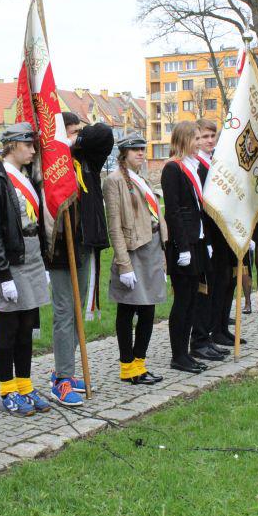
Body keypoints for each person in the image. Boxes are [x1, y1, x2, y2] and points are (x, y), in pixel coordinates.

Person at [0, 122, 51, 416]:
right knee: (8, 329)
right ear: (12, 146)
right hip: (11, 261)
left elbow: (38, 222)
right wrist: (4, 274)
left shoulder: (27, 179)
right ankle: (7, 391)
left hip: (32, 256)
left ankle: (25, 385)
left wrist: (44, 263)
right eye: (28, 145)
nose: (33, 150)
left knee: (26, 328)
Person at [46, 112, 114, 406]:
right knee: (64, 312)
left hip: (85, 242)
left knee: (77, 309)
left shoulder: (87, 157)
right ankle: (62, 378)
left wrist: (76, 140)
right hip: (61, 247)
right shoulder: (52, 165)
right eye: (69, 132)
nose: (74, 137)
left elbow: (105, 134)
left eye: (76, 132)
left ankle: (66, 370)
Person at [103, 134, 166, 384]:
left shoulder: (142, 177)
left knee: (149, 310)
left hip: (151, 248)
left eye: (143, 149)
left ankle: (140, 363)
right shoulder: (113, 180)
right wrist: (123, 264)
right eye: (135, 149)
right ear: (124, 153)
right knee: (128, 309)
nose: (141, 153)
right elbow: (115, 227)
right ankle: (127, 367)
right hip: (132, 251)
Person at [161, 121, 211, 373]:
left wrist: (205, 242)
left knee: (193, 299)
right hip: (183, 244)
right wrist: (181, 247)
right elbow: (173, 211)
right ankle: (177, 354)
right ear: (183, 140)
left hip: (197, 241)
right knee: (182, 301)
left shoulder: (192, 166)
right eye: (195, 138)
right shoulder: (173, 169)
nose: (200, 143)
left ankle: (187, 351)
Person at [190, 118, 235, 357]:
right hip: (207, 233)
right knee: (210, 285)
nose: (208, 141)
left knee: (225, 280)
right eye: (203, 137)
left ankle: (219, 327)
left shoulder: (214, 162)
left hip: (221, 231)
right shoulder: (197, 165)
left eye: (211, 137)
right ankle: (206, 332)